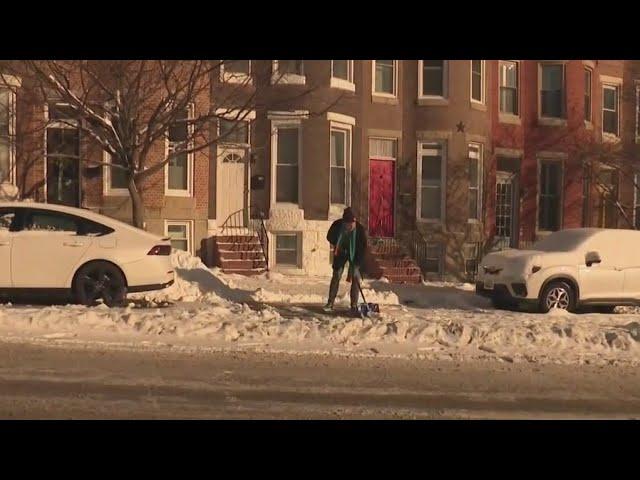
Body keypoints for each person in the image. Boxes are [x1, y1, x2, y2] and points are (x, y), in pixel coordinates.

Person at [324, 207, 367, 314]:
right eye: (347, 224)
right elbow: (329, 236)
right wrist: (340, 247)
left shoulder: (360, 230)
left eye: (351, 224)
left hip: (355, 255)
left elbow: (362, 249)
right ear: (344, 222)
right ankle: (330, 302)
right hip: (341, 254)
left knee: (356, 278)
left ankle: (353, 305)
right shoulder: (337, 225)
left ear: (354, 221)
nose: (349, 226)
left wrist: (356, 264)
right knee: (336, 275)